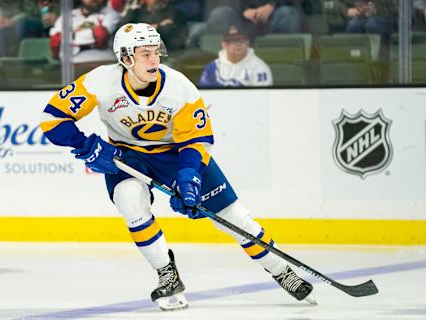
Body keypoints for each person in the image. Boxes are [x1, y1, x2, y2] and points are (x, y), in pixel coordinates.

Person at [40, 22, 314, 311]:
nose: (154, 59)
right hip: (128, 156)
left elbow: (196, 141)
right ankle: (166, 274)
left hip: (177, 155)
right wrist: (87, 146)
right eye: (144, 53)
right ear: (126, 58)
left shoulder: (179, 87)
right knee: (130, 201)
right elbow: (52, 120)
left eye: (156, 51)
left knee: (235, 218)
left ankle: (282, 270)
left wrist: (188, 177)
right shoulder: (99, 83)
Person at [199, 24, 273, 87]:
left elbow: (263, 99)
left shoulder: (260, 68)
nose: (238, 44)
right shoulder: (211, 68)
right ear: (224, 44)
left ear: (248, 43)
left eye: (242, 40)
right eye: (233, 41)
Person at [49, 0, 120, 62]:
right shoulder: (67, 16)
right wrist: (91, 35)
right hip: (71, 64)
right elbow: (55, 40)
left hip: (102, 60)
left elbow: (101, 36)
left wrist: (67, 38)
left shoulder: (112, 14)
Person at [120, 0, 188, 51]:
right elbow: (124, 30)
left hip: (167, 51)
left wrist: (142, 30)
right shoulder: (136, 12)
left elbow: (167, 31)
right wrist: (156, 27)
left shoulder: (174, 12)